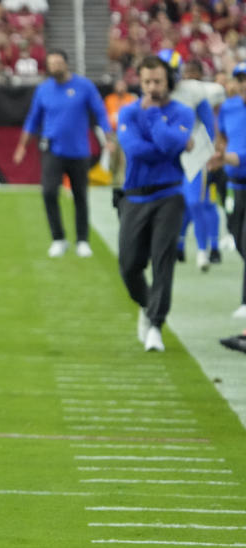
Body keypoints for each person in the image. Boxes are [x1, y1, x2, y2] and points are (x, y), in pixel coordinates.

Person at [116, 55, 195, 352]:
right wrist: (170, 141)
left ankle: (156, 326)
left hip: (169, 195)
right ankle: (149, 306)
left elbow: (167, 145)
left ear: (168, 82)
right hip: (135, 195)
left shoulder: (182, 112)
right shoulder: (127, 112)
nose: (152, 88)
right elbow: (135, 150)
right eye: (147, 82)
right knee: (128, 266)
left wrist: (154, 120)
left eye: (158, 82)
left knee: (164, 262)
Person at [14, 49, 111, 258]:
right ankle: (58, 238)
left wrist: (109, 138)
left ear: (66, 64)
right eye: (51, 64)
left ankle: (82, 241)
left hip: (78, 151)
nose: (55, 67)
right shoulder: (43, 89)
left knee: (80, 196)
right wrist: (22, 145)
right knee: (49, 192)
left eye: (58, 63)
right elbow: (33, 119)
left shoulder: (84, 86)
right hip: (52, 150)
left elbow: (100, 112)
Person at [161, 53, 227, 271]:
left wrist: (208, 152)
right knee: (167, 205)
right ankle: (172, 246)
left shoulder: (194, 90)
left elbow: (208, 123)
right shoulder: (154, 90)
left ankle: (202, 250)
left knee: (195, 202)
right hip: (167, 155)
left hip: (193, 154)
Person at [211, 62, 246, 319]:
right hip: (234, 184)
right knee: (236, 237)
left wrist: (231, 157)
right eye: (240, 79)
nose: (243, 84)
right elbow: (222, 136)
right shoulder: (230, 107)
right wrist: (219, 151)